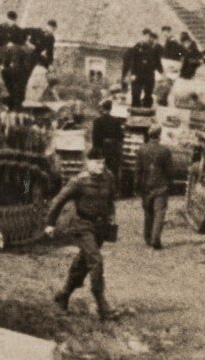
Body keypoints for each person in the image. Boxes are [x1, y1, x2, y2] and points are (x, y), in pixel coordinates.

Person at [44, 156, 119, 318]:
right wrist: (50, 223)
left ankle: (63, 295)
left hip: (99, 226)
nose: (100, 165)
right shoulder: (79, 181)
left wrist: (112, 214)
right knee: (96, 260)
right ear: (88, 163)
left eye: (102, 162)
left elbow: (111, 198)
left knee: (84, 262)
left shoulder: (108, 178)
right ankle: (102, 305)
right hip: (82, 225)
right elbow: (59, 201)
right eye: (96, 162)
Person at [134, 126, 177, 250]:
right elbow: (170, 171)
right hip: (161, 186)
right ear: (159, 135)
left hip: (145, 186)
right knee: (159, 213)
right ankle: (155, 240)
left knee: (148, 212)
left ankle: (147, 238)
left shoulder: (142, 149)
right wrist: (170, 184)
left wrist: (136, 187)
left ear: (149, 135)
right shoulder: (165, 150)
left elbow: (137, 170)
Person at [89, 99, 126, 181]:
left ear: (103, 108)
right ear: (110, 108)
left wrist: (96, 149)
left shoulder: (97, 121)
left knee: (100, 169)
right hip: (113, 150)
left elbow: (94, 137)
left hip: (101, 150)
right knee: (114, 171)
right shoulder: (116, 121)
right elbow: (121, 136)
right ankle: (114, 189)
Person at [123, 28, 160, 111]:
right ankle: (135, 113)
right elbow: (131, 62)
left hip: (149, 76)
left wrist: (162, 73)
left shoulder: (153, 50)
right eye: (146, 36)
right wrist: (130, 74)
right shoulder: (136, 48)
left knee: (148, 96)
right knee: (135, 95)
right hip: (137, 75)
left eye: (149, 37)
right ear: (142, 36)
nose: (148, 38)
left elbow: (157, 63)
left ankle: (147, 112)